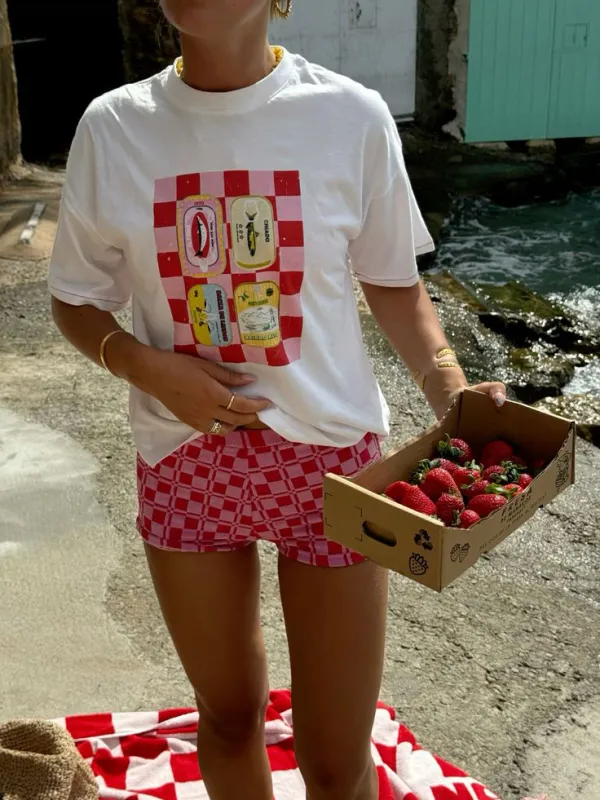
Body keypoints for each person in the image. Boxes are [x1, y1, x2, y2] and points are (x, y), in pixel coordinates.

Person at [49, 1, 506, 798]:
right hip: (183, 458)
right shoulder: (112, 126)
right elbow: (74, 299)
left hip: (335, 470)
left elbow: (395, 285)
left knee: (336, 756)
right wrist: (145, 367)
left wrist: (456, 396)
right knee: (226, 719)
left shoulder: (350, 116)